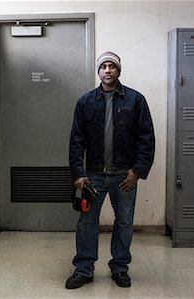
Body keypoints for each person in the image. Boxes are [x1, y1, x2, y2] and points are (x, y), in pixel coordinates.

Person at [66, 51, 155, 289]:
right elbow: (76, 140)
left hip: (124, 176)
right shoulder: (86, 102)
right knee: (87, 223)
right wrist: (78, 173)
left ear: (118, 71)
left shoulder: (136, 100)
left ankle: (120, 268)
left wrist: (137, 171)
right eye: (103, 66)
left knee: (124, 222)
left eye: (112, 66)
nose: (107, 70)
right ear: (98, 71)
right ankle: (84, 269)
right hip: (93, 175)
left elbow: (147, 139)